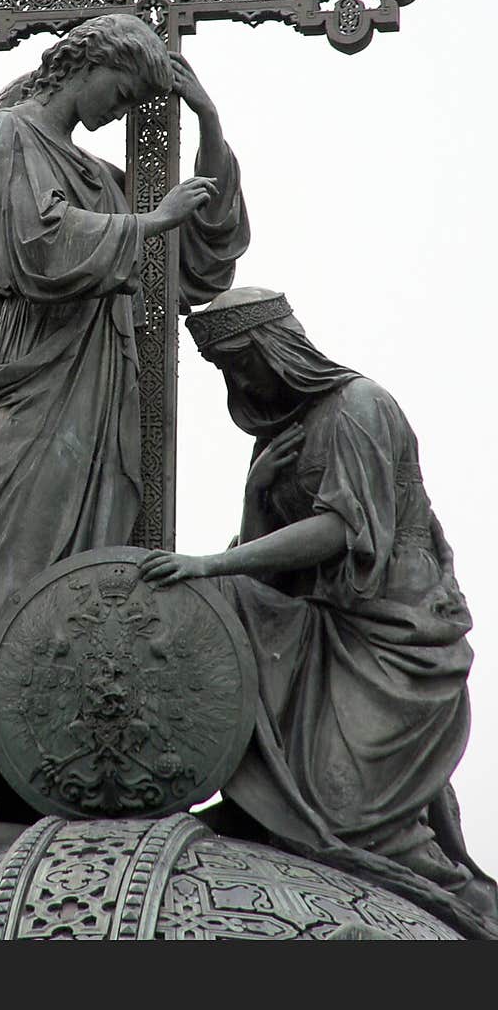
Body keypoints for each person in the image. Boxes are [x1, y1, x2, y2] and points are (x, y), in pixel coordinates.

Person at [0, 16, 249, 869]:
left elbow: (207, 258)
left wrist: (210, 129)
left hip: (103, 394)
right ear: (82, 65)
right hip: (34, 396)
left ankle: (36, 783)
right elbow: (32, 251)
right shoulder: (10, 136)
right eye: (119, 94)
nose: (121, 113)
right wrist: (150, 222)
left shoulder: (100, 174)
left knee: (86, 593)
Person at [140, 286, 496, 916]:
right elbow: (270, 570)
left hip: (395, 631)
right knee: (227, 601)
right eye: (225, 370)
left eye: (241, 361)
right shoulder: (284, 436)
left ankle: (465, 906)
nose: (239, 379)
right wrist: (255, 497)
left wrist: (210, 562)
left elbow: (341, 530)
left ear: (277, 349)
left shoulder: (360, 406)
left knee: (359, 814)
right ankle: (264, 790)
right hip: (327, 621)